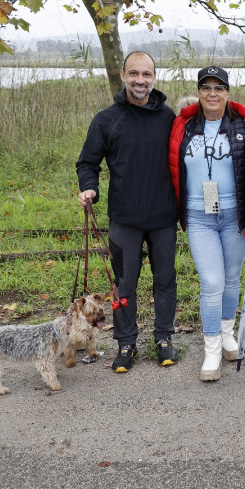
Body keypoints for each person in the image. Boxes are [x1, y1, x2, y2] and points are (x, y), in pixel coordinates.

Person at [168, 66, 245, 382]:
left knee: (230, 279)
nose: (212, 93)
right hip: (199, 217)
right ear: (199, 92)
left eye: (219, 88)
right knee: (211, 282)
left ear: (228, 93)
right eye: (206, 87)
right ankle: (212, 347)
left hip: (235, 217)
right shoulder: (182, 126)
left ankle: (228, 334)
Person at [76, 51, 179, 373]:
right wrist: (89, 186)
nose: (140, 80)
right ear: (123, 75)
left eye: (146, 74)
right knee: (124, 285)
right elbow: (87, 162)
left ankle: (163, 338)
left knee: (165, 281)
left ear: (154, 78)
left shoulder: (169, 117)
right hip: (124, 219)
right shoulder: (106, 119)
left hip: (163, 217)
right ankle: (126, 342)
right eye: (134, 74)